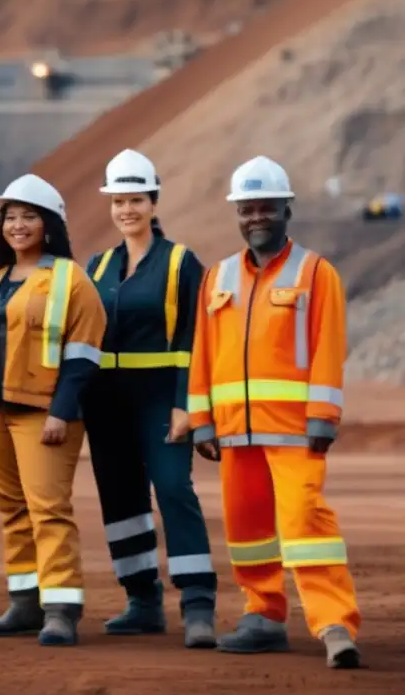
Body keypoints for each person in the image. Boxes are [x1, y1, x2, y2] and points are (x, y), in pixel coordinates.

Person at [188, 155, 361, 669]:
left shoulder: (315, 272)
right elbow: (203, 350)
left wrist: (323, 417)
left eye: (266, 207)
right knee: (247, 530)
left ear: (287, 210)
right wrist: (202, 419)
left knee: (307, 523)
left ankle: (333, 624)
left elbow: (329, 347)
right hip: (235, 434)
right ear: (237, 214)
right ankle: (263, 616)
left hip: (294, 433)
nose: (255, 217)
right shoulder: (217, 276)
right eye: (247, 209)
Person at [0, 174, 107, 646]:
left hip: (44, 412)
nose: (18, 225)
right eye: (10, 218)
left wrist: (62, 409)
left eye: (28, 216)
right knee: (12, 509)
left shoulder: (69, 278)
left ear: (49, 224)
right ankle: (24, 603)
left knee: (48, 508)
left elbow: (83, 354)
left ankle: (61, 608)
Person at [82, 149, 217, 648]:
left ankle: (198, 603)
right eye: (118, 201)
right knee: (121, 502)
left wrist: (188, 405)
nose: (126, 210)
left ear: (153, 203)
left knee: (173, 490)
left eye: (135, 199)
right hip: (107, 407)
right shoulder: (97, 267)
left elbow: (195, 338)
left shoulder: (182, 262)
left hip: (161, 401)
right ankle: (142, 601)